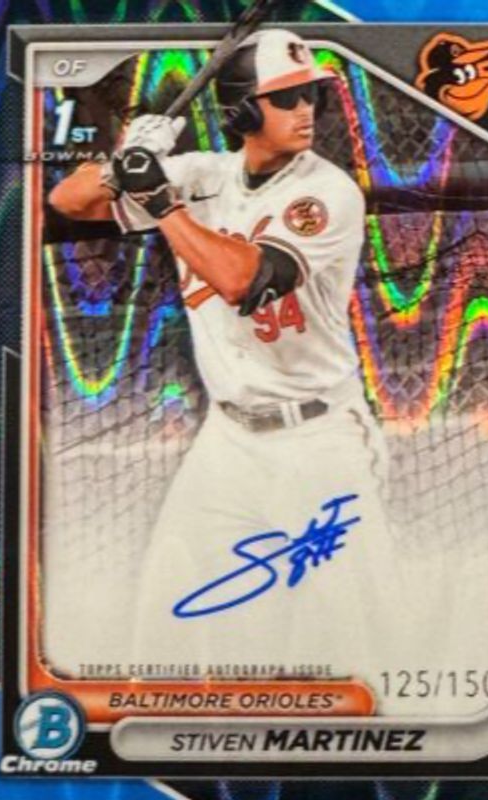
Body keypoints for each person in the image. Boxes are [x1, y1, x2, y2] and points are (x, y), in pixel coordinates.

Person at [48, 29, 410, 693]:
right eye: (287, 98)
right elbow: (65, 201)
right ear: (242, 111)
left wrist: (160, 202)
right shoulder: (204, 175)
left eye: (312, 95)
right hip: (228, 439)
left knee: (363, 642)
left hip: (319, 438)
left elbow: (244, 281)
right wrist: (124, 163)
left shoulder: (326, 193)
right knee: (164, 613)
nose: (307, 109)